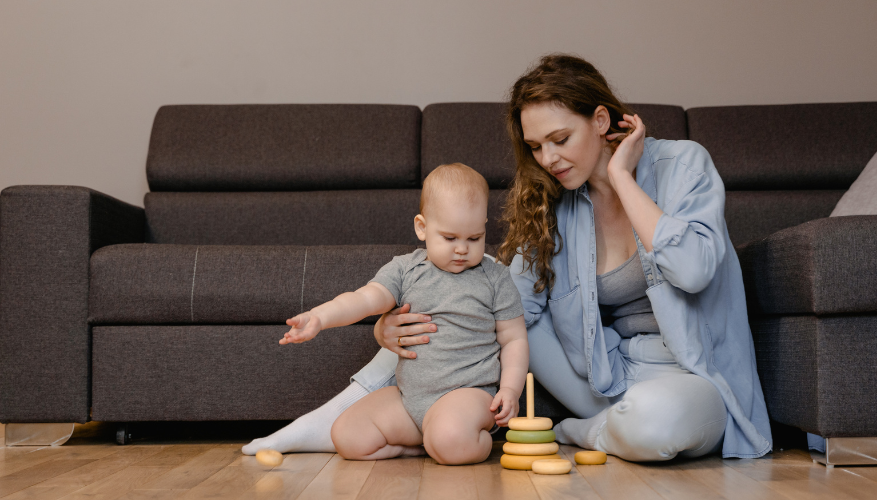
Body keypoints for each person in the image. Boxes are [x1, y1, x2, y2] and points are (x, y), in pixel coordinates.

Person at [244, 54, 772, 461]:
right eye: (537, 146)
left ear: (602, 119)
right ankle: (332, 417)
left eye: (560, 139)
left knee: (655, 425)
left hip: (689, 378)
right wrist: (385, 327)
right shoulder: (555, 201)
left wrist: (621, 178)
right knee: (481, 294)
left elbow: (695, 269)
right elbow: (497, 303)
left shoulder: (684, 165)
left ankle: (573, 433)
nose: (549, 159)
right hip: (603, 379)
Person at [272, 163, 528, 465]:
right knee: (347, 434)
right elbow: (364, 299)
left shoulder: (494, 278)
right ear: (422, 227)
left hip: (468, 396)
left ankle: (458, 441)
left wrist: (511, 389)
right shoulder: (405, 270)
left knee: (451, 437)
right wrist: (320, 317)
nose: (462, 249)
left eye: (474, 238)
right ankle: (424, 445)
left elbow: (514, 339)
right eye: (449, 238)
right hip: (410, 399)